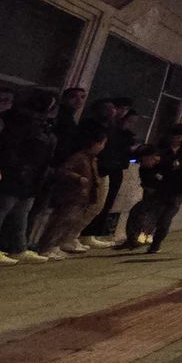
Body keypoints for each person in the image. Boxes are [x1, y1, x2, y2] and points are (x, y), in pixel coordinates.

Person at [121, 130, 182, 253]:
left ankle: (153, 244)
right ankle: (140, 240)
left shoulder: (176, 157)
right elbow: (147, 177)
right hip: (161, 193)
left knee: (163, 220)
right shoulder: (158, 160)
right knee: (149, 216)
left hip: (175, 192)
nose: (143, 163)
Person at [0, 90, 59, 266]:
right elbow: (11, 149)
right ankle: (16, 246)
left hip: (30, 177)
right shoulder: (23, 124)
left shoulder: (40, 125)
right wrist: (17, 169)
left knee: (21, 213)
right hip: (16, 175)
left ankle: (18, 247)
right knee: (4, 210)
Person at [39, 130, 106, 259]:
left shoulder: (91, 159)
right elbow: (64, 170)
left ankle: (56, 245)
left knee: (69, 221)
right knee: (61, 220)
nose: (102, 147)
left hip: (82, 196)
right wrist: (78, 178)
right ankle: (47, 247)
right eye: (101, 144)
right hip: (72, 195)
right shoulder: (80, 157)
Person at [83, 104, 139, 242]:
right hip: (105, 167)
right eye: (128, 120)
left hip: (115, 168)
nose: (130, 124)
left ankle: (91, 233)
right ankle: (84, 233)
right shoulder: (111, 132)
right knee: (95, 203)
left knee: (105, 203)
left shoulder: (125, 135)